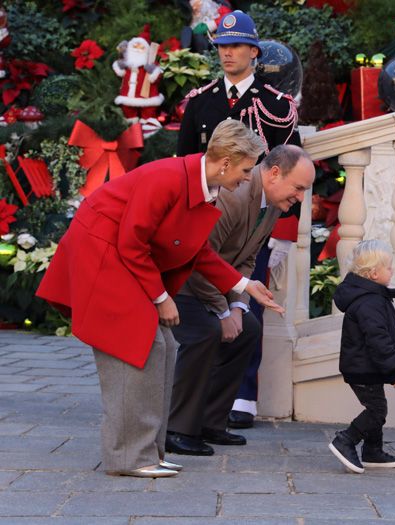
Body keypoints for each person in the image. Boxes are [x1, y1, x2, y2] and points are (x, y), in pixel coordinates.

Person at [36, 120, 284, 478]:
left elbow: (195, 250)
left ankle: (150, 450)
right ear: (226, 161)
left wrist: (244, 285)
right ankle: (128, 458)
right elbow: (131, 242)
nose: (248, 178)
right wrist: (161, 297)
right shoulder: (168, 178)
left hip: (121, 255)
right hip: (102, 254)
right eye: (246, 169)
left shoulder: (201, 184)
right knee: (136, 348)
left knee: (164, 345)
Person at [177, 9, 300, 430]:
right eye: (221, 47)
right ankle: (201, 396)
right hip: (204, 217)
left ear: (253, 51)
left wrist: (283, 236)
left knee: (249, 306)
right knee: (200, 305)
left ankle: (242, 396)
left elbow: (291, 170)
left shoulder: (275, 104)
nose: (227, 53)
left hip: (253, 224)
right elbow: (184, 165)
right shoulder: (200, 101)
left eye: (234, 46)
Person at [167, 144, 315, 455]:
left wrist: (236, 306)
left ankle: (210, 422)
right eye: (298, 188)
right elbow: (196, 258)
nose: (301, 198)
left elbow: (248, 258)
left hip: (214, 284)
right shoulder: (232, 198)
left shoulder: (274, 201)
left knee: (248, 328)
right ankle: (177, 429)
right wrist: (223, 313)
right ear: (274, 173)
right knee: (206, 333)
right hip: (181, 282)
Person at [328, 240, 395, 474]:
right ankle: (346, 440)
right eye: (388, 267)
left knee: (376, 405)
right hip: (363, 367)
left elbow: (380, 339)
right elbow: (377, 340)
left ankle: (373, 451)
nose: (391, 271)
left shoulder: (372, 298)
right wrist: (394, 371)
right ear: (374, 273)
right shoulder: (369, 302)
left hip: (367, 365)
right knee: (377, 410)